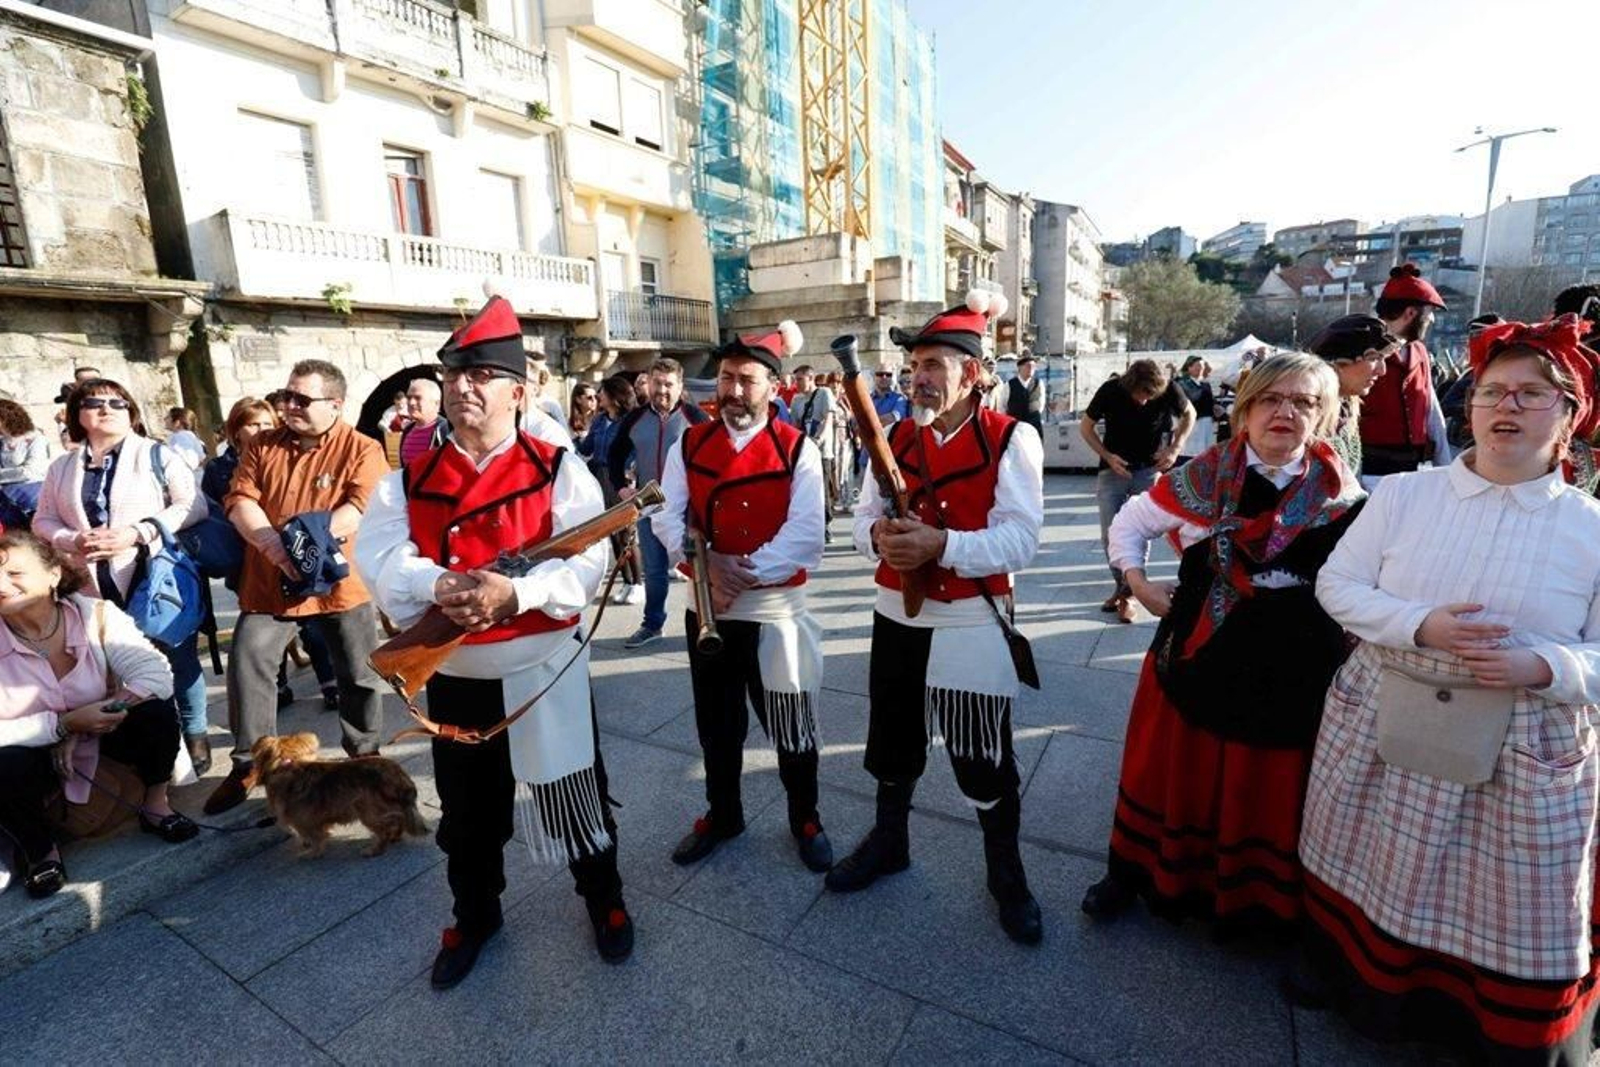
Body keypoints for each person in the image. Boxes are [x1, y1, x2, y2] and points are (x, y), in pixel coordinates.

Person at [1294, 314, 1600, 1062]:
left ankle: (1493, 1029)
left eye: (1533, 394)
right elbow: (1337, 582)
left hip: (1525, 738)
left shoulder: (1591, 525)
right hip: (1388, 711)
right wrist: (1419, 624)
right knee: (1373, 860)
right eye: (1495, 390)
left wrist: (1547, 667)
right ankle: (1361, 989)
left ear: (1569, 415)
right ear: (1471, 405)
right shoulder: (1404, 494)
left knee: (1511, 897)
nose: (1509, 406)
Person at [354, 296, 632, 987]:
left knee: (578, 796)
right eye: (455, 374)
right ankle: (474, 913)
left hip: (544, 668)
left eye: (481, 374)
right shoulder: (408, 478)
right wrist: (440, 582)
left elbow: (587, 562)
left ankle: (605, 900)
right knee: (468, 817)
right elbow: (379, 557)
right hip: (457, 672)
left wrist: (517, 593)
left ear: (520, 390)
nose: (463, 386)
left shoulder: (556, 466)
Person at [1079, 354, 1363, 929]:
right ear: (1246, 409)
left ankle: (1254, 900)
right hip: (1201, 648)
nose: (1285, 412)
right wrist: (1136, 581)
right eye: (1270, 399)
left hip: (1295, 661)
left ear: (1326, 416)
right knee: (1168, 771)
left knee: (1266, 783)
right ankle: (1133, 871)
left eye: (1304, 402)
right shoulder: (1203, 475)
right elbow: (1130, 524)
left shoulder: (1341, 490)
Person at [827, 290, 1047, 946]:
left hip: (972, 616)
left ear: (973, 374)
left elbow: (1021, 539)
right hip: (894, 608)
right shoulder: (891, 433)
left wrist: (942, 546)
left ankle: (1005, 872)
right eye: (916, 363)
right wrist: (882, 541)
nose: (918, 375)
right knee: (891, 742)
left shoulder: (1013, 438)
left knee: (983, 756)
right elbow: (862, 519)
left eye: (935, 364)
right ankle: (890, 841)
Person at [653, 322, 832, 872]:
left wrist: (734, 573)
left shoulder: (798, 448)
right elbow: (667, 515)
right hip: (707, 605)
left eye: (746, 380)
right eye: (726, 378)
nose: (731, 391)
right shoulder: (690, 441)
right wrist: (704, 566)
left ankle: (805, 816)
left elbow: (806, 535)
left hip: (773, 609)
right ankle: (723, 813)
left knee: (790, 721)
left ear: (773, 388)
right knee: (717, 724)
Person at [204, 360, 389, 814]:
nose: (288, 407)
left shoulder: (363, 448)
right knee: (248, 661)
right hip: (272, 580)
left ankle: (366, 757)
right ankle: (249, 762)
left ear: (335, 404)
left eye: (301, 400)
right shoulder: (263, 444)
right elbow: (240, 499)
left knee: (358, 673)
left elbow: (360, 508)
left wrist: (309, 545)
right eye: (286, 397)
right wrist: (274, 546)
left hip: (338, 582)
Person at [0, 531, 198, 898]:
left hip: (103, 735)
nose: (1, 584)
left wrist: (90, 721)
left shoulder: (96, 615)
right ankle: (40, 850)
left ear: (53, 574)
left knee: (154, 711)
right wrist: (59, 726)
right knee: (5, 763)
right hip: (34, 756)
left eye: (15, 573)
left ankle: (156, 805)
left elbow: (155, 674)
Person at [32, 379, 209, 773]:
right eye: (94, 402)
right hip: (91, 582)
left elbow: (193, 506)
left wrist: (138, 532)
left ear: (131, 412)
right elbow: (42, 519)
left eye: (118, 402)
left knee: (174, 656)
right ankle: (152, 744)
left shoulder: (156, 455)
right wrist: (73, 538)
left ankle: (195, 732)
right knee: (114, 663)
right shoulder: (61, 467)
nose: (107, 408)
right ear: (77, 415)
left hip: (154, 577)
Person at [203, 397, 339, 714]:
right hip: (245, 558)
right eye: (253, 424)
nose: (260, 430)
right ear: (236, 430)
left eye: (266, 423)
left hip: (290, 549)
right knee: (261, 629)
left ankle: (329, 682)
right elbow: (212, 511)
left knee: (311, 621)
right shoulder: (219, 468)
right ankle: (277, 686)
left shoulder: (281, 456)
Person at [1080, 360, 1195, 623]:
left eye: (1149, 395)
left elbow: (1190, 414)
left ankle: (1128, 594)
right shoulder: (1111, 390)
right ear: (1128, 385)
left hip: (1148, 469)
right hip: (1113, 470)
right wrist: (1107, 456)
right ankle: (1122, 588)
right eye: (1139, 394)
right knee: (1110, 534)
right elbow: (1085, 427)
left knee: (1142, 532)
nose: (1144, 400)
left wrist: (1175, 448)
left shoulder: (1170, 389)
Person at [608, 358, 709, 648]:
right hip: (649, 506)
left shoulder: (696, 418)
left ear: (680, 386)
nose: (661, 390)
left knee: (698, 566)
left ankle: (707, 622)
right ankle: (653, 624)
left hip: (689, 508)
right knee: (653, 569)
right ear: (648, 383)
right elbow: (615, 455)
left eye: (668, 384)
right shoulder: (635, 418)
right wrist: (622, 488)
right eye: (657, 383)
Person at [1359, 264, 1452, 478]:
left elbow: (1431, 411)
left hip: (1413, 471)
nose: (1431, 319)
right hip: (1370, 472)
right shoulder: (1362, 348)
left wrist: (1444, 469)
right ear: (1411, 313)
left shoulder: (1419, 351)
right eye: (1428, 313)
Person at [577, 376, 643, 606]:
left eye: (601, 392)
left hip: (620, 478)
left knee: (626, 531)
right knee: (612, 533)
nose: (598, 396)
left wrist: (631, 474)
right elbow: (587, 448)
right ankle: (626, 581)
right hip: (600, 476)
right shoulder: (599, 421)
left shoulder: (630, 420)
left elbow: (634, 449)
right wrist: (578, 436)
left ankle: (637, 583)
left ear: (614, 396)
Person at [1306, 315, 1399, 475]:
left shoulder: (1347, 407)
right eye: (1374, 358)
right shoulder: (1305, 413)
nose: (1382, 370)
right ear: (1340, 362)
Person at [787, 365, 840, 543]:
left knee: (823, 489)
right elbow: (795, 425)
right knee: (806, 489)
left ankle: (826, 524)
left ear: (810, 378)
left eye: (800, 379)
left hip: (822, 451)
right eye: (795, 380)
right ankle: (812, 525)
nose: (797, 384)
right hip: (804, 451)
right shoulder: (796, 400)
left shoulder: (824, 394)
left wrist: (819, 440)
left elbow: (828, 419)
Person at [0, 398, 52, 527]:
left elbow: (31, 471)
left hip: (32, 494)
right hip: (7, 496)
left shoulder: (36, 439)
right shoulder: (3, 442)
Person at [1174, 356, 1216, 462]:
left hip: (1206, 424)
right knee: (1189, 452)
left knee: (1204, 452)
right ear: (1189, 368)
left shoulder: (1205, 384)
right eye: (1198, 366)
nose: (1201, 368)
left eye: (1202, 366)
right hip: (1193, 423)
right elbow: (1190, 399)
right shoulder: (1182, 383)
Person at [397, 378, 442, 468]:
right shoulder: (407, 431)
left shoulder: (446, 430)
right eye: (409, 398)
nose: (411, 402)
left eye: (418, 398)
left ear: (436, 403)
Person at [1004, 353, 1045, 437]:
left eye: (1034, 367)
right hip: (1016, 425)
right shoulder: (1009, 385)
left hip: (1034, 424)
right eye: (1028, 366)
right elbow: (1002, 406)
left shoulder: (1038, 383)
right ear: (1020, 367)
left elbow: (1041, 402)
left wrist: (1033, 413)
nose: (1031, 369)